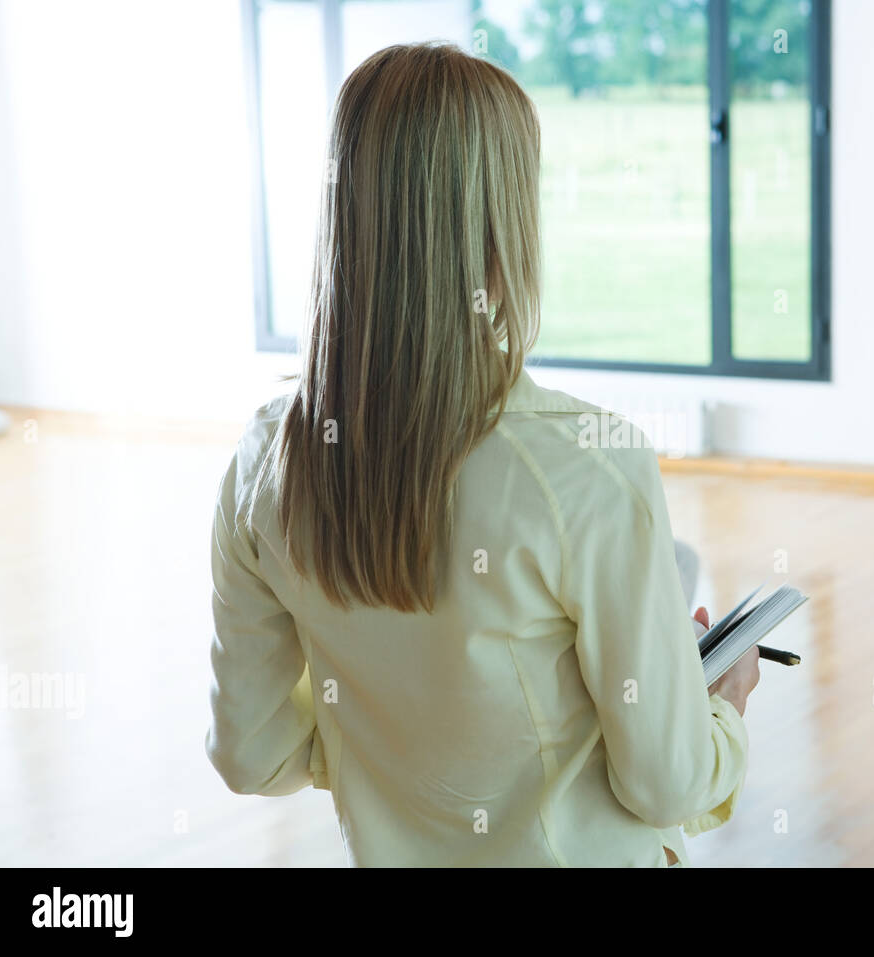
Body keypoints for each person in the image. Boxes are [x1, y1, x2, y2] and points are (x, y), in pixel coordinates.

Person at [203, 41, 760, 867]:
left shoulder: (262, 465)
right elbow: (669, 783)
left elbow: (250, 751)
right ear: (501, 227)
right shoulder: (589, 466)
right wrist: (723, 705)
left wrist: (391, 743)